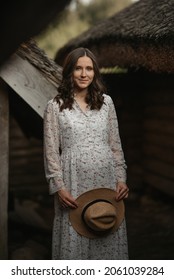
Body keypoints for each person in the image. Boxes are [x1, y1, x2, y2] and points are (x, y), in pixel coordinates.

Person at [43, 47, 129, 260]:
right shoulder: (55, 106)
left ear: (95, 72)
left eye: (89, 69)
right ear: (69, 72)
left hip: (106, 182)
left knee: (104, 227)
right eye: (78, 68)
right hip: (73, 182)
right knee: (75, 235)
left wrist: (121, 178)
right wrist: (58, 187)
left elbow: (115, 144)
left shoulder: (106, 103)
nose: (84, 74)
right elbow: (51, 151)